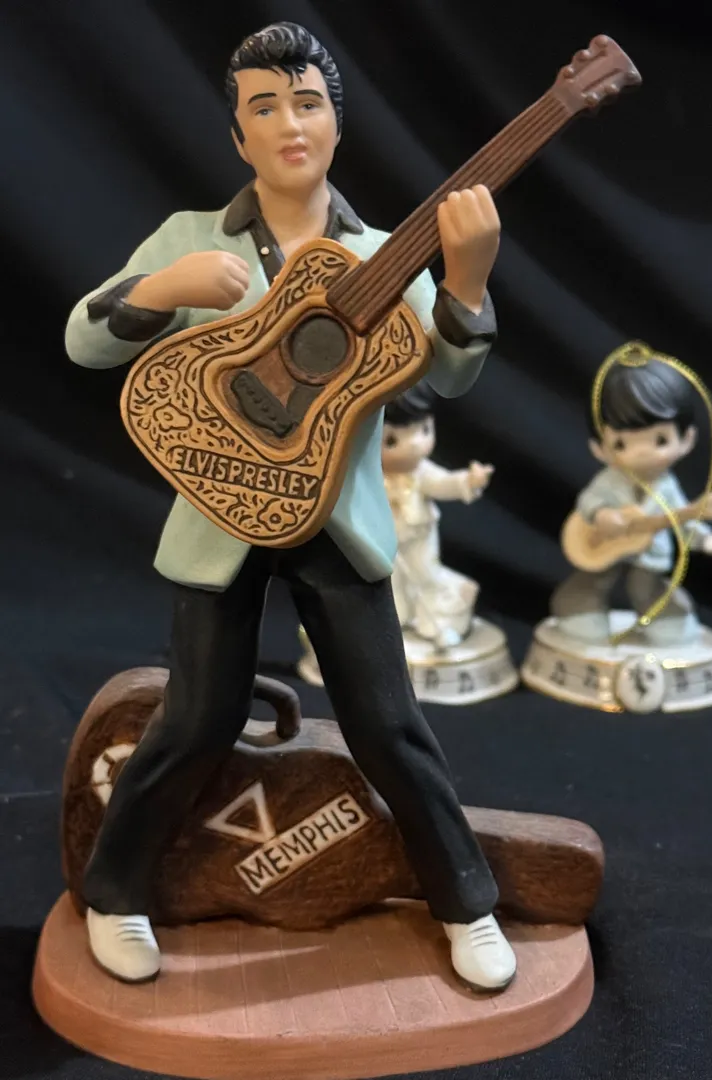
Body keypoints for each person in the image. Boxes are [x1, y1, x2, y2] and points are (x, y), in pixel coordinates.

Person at [65, 20, 514, 994]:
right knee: (196, 717)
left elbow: (448, 373)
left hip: (335, 521)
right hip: (220, 518)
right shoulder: (192, 236)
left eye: (307, 102)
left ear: (339, 126)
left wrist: (468, 279)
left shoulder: (381, 254)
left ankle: (465, 901)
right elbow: (82, 341)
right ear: (237, 135)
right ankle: (116, 890)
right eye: (263, 107)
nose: (288, 123)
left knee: (388, 723)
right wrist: (162, 287)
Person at [551, 347, 712, 646]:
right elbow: (589, 501)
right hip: (603, 546)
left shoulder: (667, 487)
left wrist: (706, 540)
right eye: (621, 444)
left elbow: (684, 518)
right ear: (599, 449)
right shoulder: (609, 480)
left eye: (660, 440)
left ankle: (669, 619)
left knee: (646, 588)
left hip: (650, 554)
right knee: (595, 576)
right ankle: (578, 609)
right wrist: (602, 515)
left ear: (687, 440)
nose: (642, 453)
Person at [382, 382, 492, 650]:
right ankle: (394, 622)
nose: (414, 445)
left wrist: (468, 481)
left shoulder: (421, 472)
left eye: (424, 430)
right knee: (390, 581)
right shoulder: (368, 476)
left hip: (419, 534)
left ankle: (438, 624)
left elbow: (443, 483)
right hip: (382, 539)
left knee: (426, 577)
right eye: (391, 440)